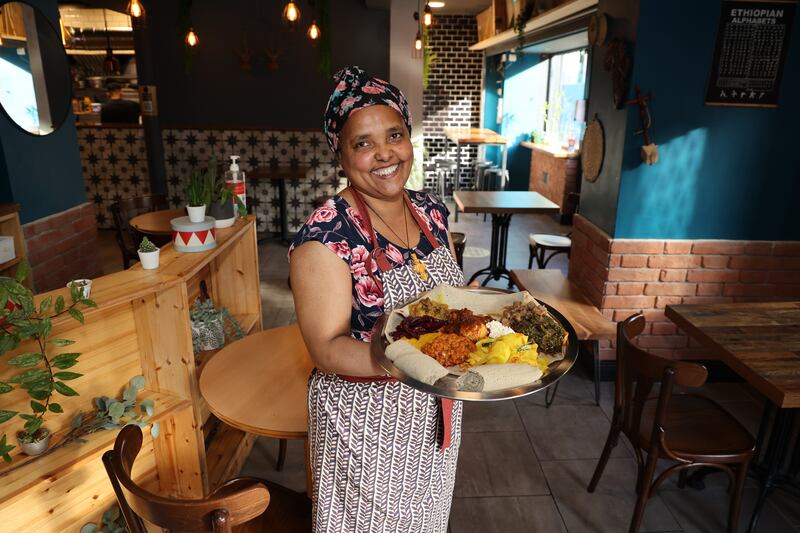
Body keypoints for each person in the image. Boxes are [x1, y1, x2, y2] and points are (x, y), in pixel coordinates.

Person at [288, 66, 464, 532]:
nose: (385, 153)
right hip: (365, 429)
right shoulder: (325, 237)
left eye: (395, 134)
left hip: (435, 416)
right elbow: (327, 349)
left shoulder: (430, 211)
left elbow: (454, 304)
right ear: (341, 155)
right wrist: (422, 357)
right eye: (362, 143)